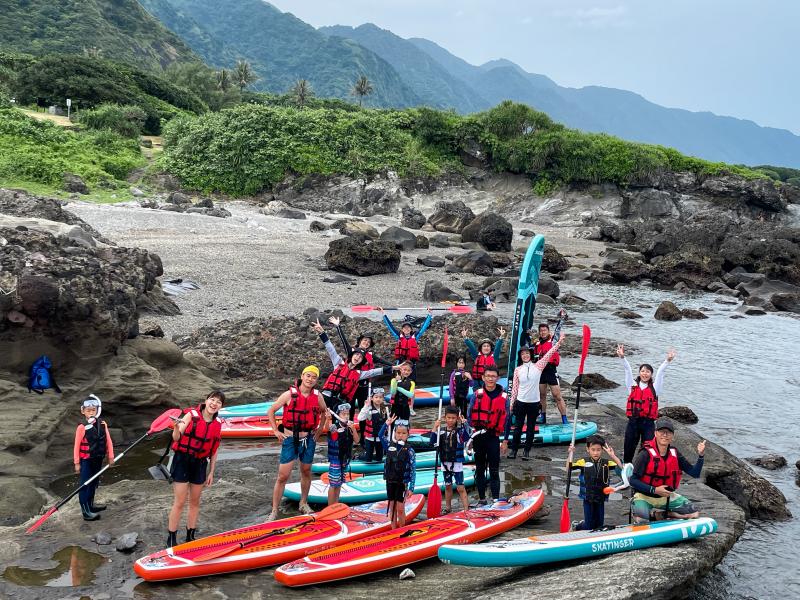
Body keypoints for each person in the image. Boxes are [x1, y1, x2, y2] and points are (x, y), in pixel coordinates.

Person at [267, 366, 328, 520]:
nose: (310, 379)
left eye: (314, 377)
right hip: (289, 439)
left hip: (309, 439)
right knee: (283, 476)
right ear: (302, 376)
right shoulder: (289, 394)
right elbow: (271, 410)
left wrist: (320, 429)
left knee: (306, 471)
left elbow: (324, 412)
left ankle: (303, 502)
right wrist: (275, 430)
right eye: (308, 376)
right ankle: (274, 510)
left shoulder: (317, 396)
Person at [167, 391, 224, 546]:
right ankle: (171, 537)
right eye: (212, 399)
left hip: (200, 463)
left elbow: (214, 450)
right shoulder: (191, 416)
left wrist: (211, 472)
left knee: (195, 502)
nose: (214, 404)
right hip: (182, 460)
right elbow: (176, 438)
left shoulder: (218, 423)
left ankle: (190, 535)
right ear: (206, 401)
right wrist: (176, 427)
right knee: (179, 502)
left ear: (221, 406)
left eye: (218, 402)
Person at [629, 418, 705, 523]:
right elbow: (633, 480)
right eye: (662, 431)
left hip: (666, 497)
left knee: (694, 514)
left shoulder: (674, 453)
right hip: (644, 496)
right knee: (642, 520)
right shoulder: (645, 453)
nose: (665, 435)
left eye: (668, 432)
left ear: (672, 436)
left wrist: (701, 455)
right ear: (655, 433)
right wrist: (654, 490)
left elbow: (695, 473)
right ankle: (647, 514)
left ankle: (663, 515)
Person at [313, 319, 398, 410]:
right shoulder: (338, 363)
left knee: (340, 415)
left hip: (341, 399)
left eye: (360, 357)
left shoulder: (359, 373)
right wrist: (322, 332)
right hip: (327, 395)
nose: (357, 357)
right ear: (352, 355)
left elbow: (376, 371)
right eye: (356, 355)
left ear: (361, 361)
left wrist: (395, 367)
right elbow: (330, 348)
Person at [508, 334, 565, 460]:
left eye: (527, 353)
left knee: (530, 428)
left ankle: (527, 451)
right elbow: (515, 389)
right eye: (523, 354)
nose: (525, 355)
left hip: (534, 403)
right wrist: (511, 404)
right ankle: (514, 450)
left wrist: (559, 342)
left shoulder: (538, 366)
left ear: (531, 355)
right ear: (520, 356)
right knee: (518, 428)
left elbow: (549, 353)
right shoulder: (518, 370)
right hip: (521, 402)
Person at [617, 344, 676, 463]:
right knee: (629, 446)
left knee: (647, 448)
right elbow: (627, 370)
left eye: (647, 371)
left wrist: (667, 361)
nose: (645, 373)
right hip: (633, 422)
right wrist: (623, 357)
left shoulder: (655, 388)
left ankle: (643, 467)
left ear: (651, 374)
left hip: (648, 424)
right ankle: (627, 467)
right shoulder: (632, 386)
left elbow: (661, 372)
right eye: (642, 371)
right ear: (639, 373)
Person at [329, 316, 390, 422]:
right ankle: (348, 427)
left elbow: (383, 363)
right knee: (350, 409)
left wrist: (397, 367)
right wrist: (338, 326)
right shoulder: (351, 352)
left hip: (364, 387)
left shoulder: (370, 355)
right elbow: (344, 341)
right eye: (365, 340)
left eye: (368, 342)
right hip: (351, 386)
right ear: (360, 341)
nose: (366, 343)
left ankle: (362, 435)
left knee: (364, 410)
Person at [467, 365, 509, 505]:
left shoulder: (504, 397)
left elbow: (507, 420)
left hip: (493, 437)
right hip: (479, 436)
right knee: (480, 469)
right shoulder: (476, 394)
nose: (490, 379)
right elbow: (469, 416)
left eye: (493, 376)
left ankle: (496, 500)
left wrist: (505, 441)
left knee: (494, 470)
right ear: (483, 378)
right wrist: (471, 437)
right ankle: (482, 499)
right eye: (488, 376)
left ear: (497, 378)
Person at [568, 435, 622, 531]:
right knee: (589, 526)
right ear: (588, 449)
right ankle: (577, 526)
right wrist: (570, 453)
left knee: (599, 525)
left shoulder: (607, 462)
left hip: (600, 497)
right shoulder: (583, 462)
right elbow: (569, 468)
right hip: (588, 497)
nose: (596, 452)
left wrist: (612, 455)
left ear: (602, 450)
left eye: (598, 450)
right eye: (593, 450)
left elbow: (622, 468)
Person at [73, 395, 114, 521]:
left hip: (98, 458)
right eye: (88, 410)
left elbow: (108, 440)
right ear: (83, 411)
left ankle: (91, 506)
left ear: (97, 410)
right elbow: (76, 446)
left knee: (93, 483)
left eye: (93, 410)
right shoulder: (81, 427)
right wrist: (77, 463)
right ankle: (86, 512)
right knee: (85, 484)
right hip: (86, 460)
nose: (91, 412)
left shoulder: (102, 424)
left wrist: (111, 456)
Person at [430, 406, 471, 513]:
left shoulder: (459, 432)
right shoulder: (441, 431)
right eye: (449, 418)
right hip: (445, 463)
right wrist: (435, 427)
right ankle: (448, 508)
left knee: (460, 487)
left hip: (456, 463)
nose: (451, 420)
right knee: (448, 486)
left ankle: (466, 509)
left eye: (453, 418)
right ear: (445, 418)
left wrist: (464, 424)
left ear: (457, 418)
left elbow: (465, 438)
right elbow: (432, 442)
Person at [379, 308, 433, 388]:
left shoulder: (416, 336)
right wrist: (383, 313)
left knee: (412, 383)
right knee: (398, 381)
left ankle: (410, 397)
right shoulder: (398, 336)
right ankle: (396, 396)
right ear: (402, 329)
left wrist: (430, 314)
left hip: (412, 364)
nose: (406, 329)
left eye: (408, 328)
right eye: (404, 328)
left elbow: (424, 327)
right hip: (401, 363)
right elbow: (390, 326)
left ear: (411, 329)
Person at [379, 415, 416, 528]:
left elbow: (413, 469)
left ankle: (402, 528)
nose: (401, 435)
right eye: (398, 433)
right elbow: (380, 435)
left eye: (404, 433)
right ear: (394, 433)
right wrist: (386, 424)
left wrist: (411, 487)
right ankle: (393, 528)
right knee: (392, 507)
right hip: (390, 481)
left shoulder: (410, 450)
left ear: (408, 435)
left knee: (400, 508)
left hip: (402, 483)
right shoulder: (389, 445)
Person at [326, 403, 360, 505]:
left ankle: (336, 504)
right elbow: (333, 435)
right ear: (338, 415)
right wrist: (328, 419)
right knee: (334, 484)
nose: (346, 416)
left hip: (345, 459)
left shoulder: (350, 428)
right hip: (336, 459)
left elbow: (357, 441)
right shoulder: (334, 427)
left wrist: (353, 429)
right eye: (343, 414)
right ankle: (330, 507)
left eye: (347, 414)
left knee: (339, 483)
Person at [534, 323, 568, 425]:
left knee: (557, 396)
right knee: (542, 395)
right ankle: (543, 417)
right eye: (541, 331)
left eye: (545, 330)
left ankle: (564, 419)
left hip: (551, 371)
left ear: (548, 331)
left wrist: (561, 319)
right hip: (541, 372)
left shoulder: (553, 341)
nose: (543, 332)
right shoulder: (537, 344)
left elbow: (558, 329)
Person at [462, 327, 506, 392]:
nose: (486, 348)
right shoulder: (476, 356)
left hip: (488, 383)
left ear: (491, 348)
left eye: (488, 346)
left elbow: (498, 347)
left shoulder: (494, 357)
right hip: (476, 383)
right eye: (484, 346)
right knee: (477, 398)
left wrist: (501, 337)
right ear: (481, 348)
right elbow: (471, 347)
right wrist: (465, 338)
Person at [357, 387, 388, 462]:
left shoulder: (386, 409)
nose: (378, 399)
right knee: (368, 458)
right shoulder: (369, 409)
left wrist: (388, 437)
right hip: (370, 438)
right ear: (372, 398)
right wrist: (366, 406)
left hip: (380, 438)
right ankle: (359, 456)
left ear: (383, 398)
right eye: (376, 397)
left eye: (380, 397)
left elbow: (388, 425)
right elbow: (360, 418)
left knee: (379, 458)